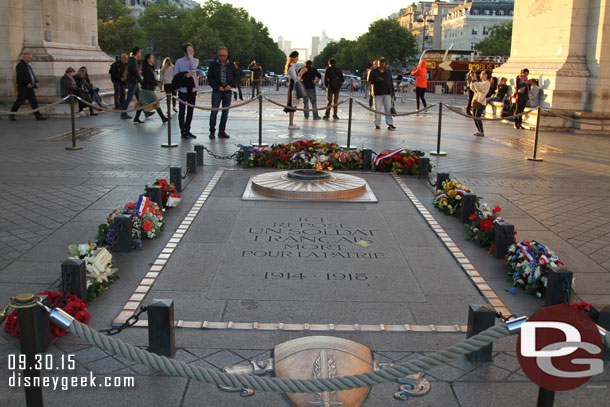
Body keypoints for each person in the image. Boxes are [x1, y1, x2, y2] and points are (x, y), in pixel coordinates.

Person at [208, 46, 238, 139]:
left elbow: (236, 77)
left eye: (224, 56)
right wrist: (217, 87)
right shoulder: (213, 65)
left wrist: (230, 85)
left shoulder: (231, 65)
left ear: (227, 55)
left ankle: (222, 131)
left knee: (225, 113)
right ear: (218, 55)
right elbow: (210, 78)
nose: (222, 58)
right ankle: (212, 131)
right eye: (221, 56)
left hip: (227, 91)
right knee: (214, 111)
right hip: (217, 91)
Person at [9, 52, 46, 121]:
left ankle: (38, 116)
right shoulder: (20, 66)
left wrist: (36, 82)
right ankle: (12, 115)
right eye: (29, 58)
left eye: (30, 58)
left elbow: (32, 75)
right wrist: (27, 83)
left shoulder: (28, 66)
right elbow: (21, 76)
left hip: (30, 87)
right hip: (23, 87)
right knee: (19, 101)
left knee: (34, 102)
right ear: (24, 57)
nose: (30, 59)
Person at [133, 54, 167, 124]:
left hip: (148, 88)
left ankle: (136, 118)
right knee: (155, 102)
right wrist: (156, 83)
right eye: (152, 57)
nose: (153, 59)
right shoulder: (147, 68)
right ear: (148, 59)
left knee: (141, 103)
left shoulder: (150, 67)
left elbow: (151, 78)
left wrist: (156, 82)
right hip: (147, 89)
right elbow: (148, 79)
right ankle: (163, 118)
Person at [174, 43, 199, 139]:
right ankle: (182, 130)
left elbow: (193, 67)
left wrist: (190, 56)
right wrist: (184, 75)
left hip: (192, 89)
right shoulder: (179, 61)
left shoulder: (195, 60)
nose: (192, 52)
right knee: (182, 110)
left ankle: (188, 129)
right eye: (189, 50)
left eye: (192, 50)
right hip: (183, 89)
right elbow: (176, 74)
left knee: (190, 110)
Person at [369, 56, 395, 130]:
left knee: (388, 109)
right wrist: (378, 79)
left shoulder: (388, 71)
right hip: (378, 93)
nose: (382, 63)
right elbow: (370, 81)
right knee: (377, 109)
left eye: (383, 62)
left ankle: (390, 123)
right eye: (380, 62)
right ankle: (377, 123)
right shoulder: (373, 71)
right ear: (378, 62)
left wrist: (392, 91)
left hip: (387, 92)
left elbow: (390, 81)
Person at [120, 47, 143, 120]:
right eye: (140, 52)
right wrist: (142, 82)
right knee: (129, 98)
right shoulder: (133, 61)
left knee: (140, 98)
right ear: (137, 52)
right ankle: (123, 113)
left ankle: (146, 111)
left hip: (134, 81)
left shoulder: (133, 60)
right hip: (132, 82)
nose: (140, 53)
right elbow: (136, 73)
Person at [283, 51, 302, 129]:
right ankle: (290, 124)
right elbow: (295, 78)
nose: (298, 59)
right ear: (294, 58)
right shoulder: (291, 67)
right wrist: (301, 74)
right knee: (292, 105)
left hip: (293, 87)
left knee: (293, 105)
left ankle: (291, 123)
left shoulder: (292, 66)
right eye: (297, 57)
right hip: (293, 87)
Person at [470, 69, 492, 137]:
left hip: (481, 102)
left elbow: (478, 88)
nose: (481, 75)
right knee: (474, 117)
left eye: (483, 74)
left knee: (478, 116)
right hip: (476, 101)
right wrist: (473, 79)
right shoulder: (482, 82)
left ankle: (481, 131)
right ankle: (479, 131)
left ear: (487, 75)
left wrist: (475, 80)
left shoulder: (487, 83)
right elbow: (473, 88)